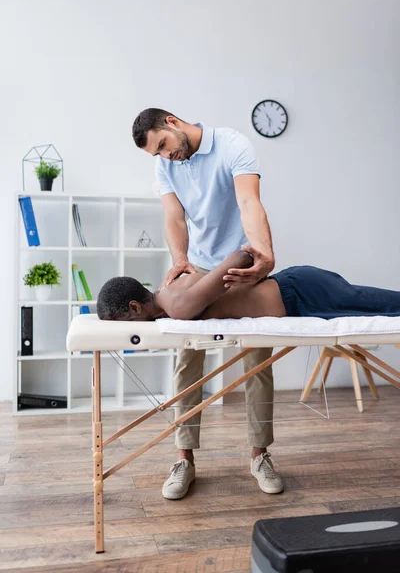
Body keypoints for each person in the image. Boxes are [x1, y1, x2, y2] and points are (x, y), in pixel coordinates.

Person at [131, 108, 281, 500]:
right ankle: (184, 459)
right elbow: (174, 218)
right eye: (157, 154)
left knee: (257, 359)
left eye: (164, 145)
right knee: (186, 359)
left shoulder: (233, 145)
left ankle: (260, 454)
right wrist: (180, 259)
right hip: (197, 266)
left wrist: (263, 253)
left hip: (242, 262)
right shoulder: (166, 166)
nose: (166, 156)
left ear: (173, 122)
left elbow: (249, 203)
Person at [98, 247, 400, 324]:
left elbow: (241, 256)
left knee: (377, 306)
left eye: (123, 321)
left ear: (134, 306)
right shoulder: (169, 296)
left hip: (299, 292)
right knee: (375, 307)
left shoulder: (177, 306)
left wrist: (244, 270)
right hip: (297, 296)